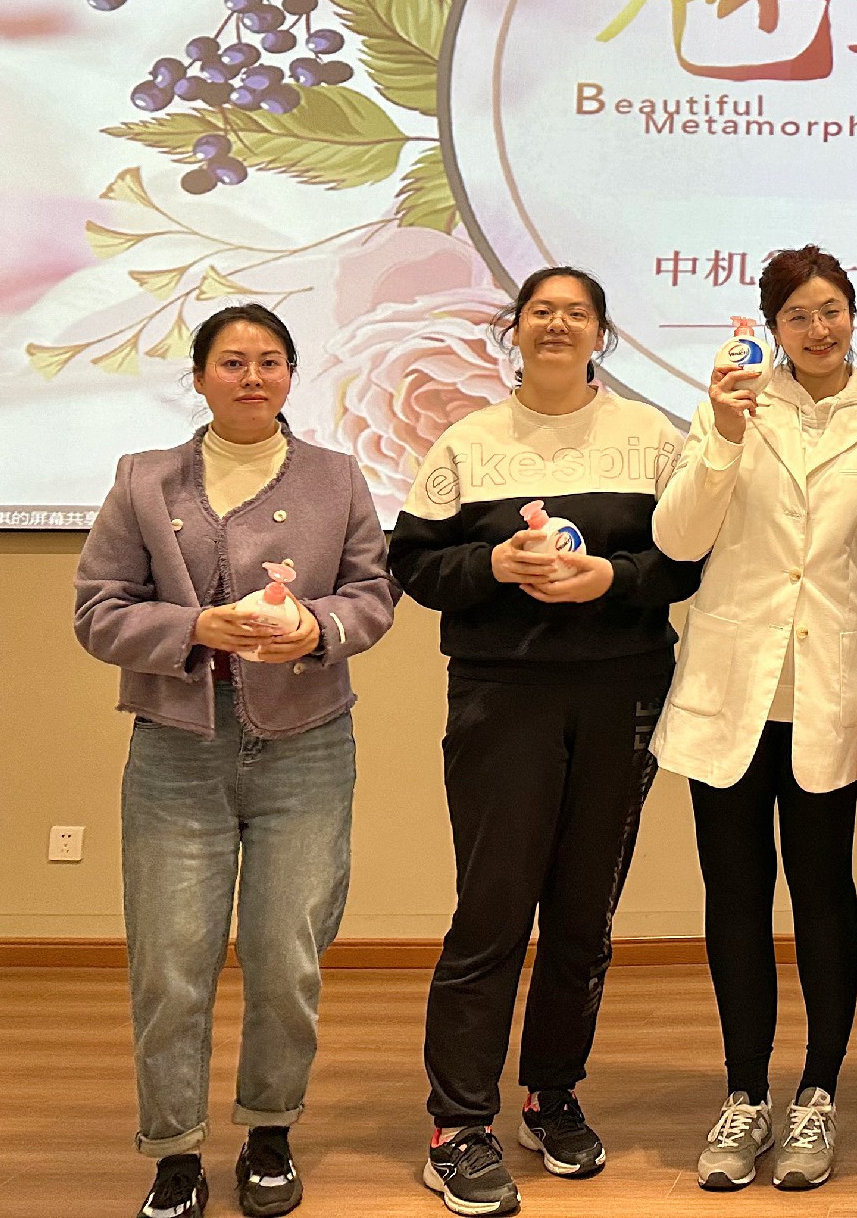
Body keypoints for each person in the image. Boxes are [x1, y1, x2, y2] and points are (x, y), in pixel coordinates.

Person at [74, 303, 397, 1218]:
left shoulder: (337, 476)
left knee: (285, 956)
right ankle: (174, 1152)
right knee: (170, 963)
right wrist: (195, 628)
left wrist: (317, 629)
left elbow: (374, 594)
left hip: (307, 746)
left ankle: (270, 1132)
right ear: (199, 376)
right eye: (231, 361)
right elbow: (97, 609)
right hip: (177, 747)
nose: (252, 377)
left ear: (291, 374)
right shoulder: (143, 479)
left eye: (269, 361)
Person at [391, 266, 699, 1217]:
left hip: (622, 690)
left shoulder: (654, 437)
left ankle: (551, 1094)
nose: (557, 325)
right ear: (514, 330)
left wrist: (613, 579)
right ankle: (457, 1124)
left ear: (602, 334)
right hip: (504, 694)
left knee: (583, 913)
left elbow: (688, 560)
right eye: (540, 312)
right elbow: (413, 563)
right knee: (492, 909)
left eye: (577, 313)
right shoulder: (468, 440)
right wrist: (492, 561)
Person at [650, 246, 857, 1194]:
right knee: (734, 894)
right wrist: (724, 436)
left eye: (831, 310)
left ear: (853, 316)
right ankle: (744, 1094)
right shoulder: (728, 410)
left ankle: (817, 1093)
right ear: (772, 328)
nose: (818, 329)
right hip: (733, 692)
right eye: (799, 315)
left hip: (831, 697)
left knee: (822, 890)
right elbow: (677, 540)